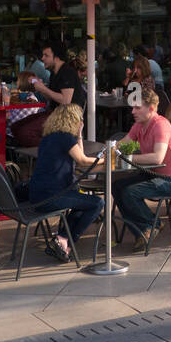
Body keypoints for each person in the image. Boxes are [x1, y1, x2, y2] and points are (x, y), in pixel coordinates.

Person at [114, 87, 171, 252]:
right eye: (133, 107)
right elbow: (122, 144)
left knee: (129, 191)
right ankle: (142, 232)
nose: (133, 111)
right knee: (117, 186)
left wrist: (127, 158)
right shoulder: (139, 124)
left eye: (137, 107)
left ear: (151, 108)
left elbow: (157, 158)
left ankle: (152, 224)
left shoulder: (161, 125)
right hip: (154, 174)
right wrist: (108, 151)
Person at [28, 104, 105, 262]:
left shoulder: (49, 137)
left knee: (81, 201)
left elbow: (80, 155)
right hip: (52, 196)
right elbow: (83, 161)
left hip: (37, 195)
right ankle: (66, 242)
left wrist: (79, 135)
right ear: (74, 119)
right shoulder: (64, 137)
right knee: (97, 203)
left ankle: (62, 239)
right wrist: (106, 160)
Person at [14, 41, 86, 147]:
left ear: (56, 57)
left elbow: (65, 101)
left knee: (24, 132)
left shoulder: (67, 72)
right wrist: (39, 88)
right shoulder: (54, 73)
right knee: (15, 126)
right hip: (53, 113)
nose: (42, 58)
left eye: (46, 55)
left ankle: (55, 148)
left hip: (66, 117)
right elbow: (52, 98)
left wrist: (44, 88)